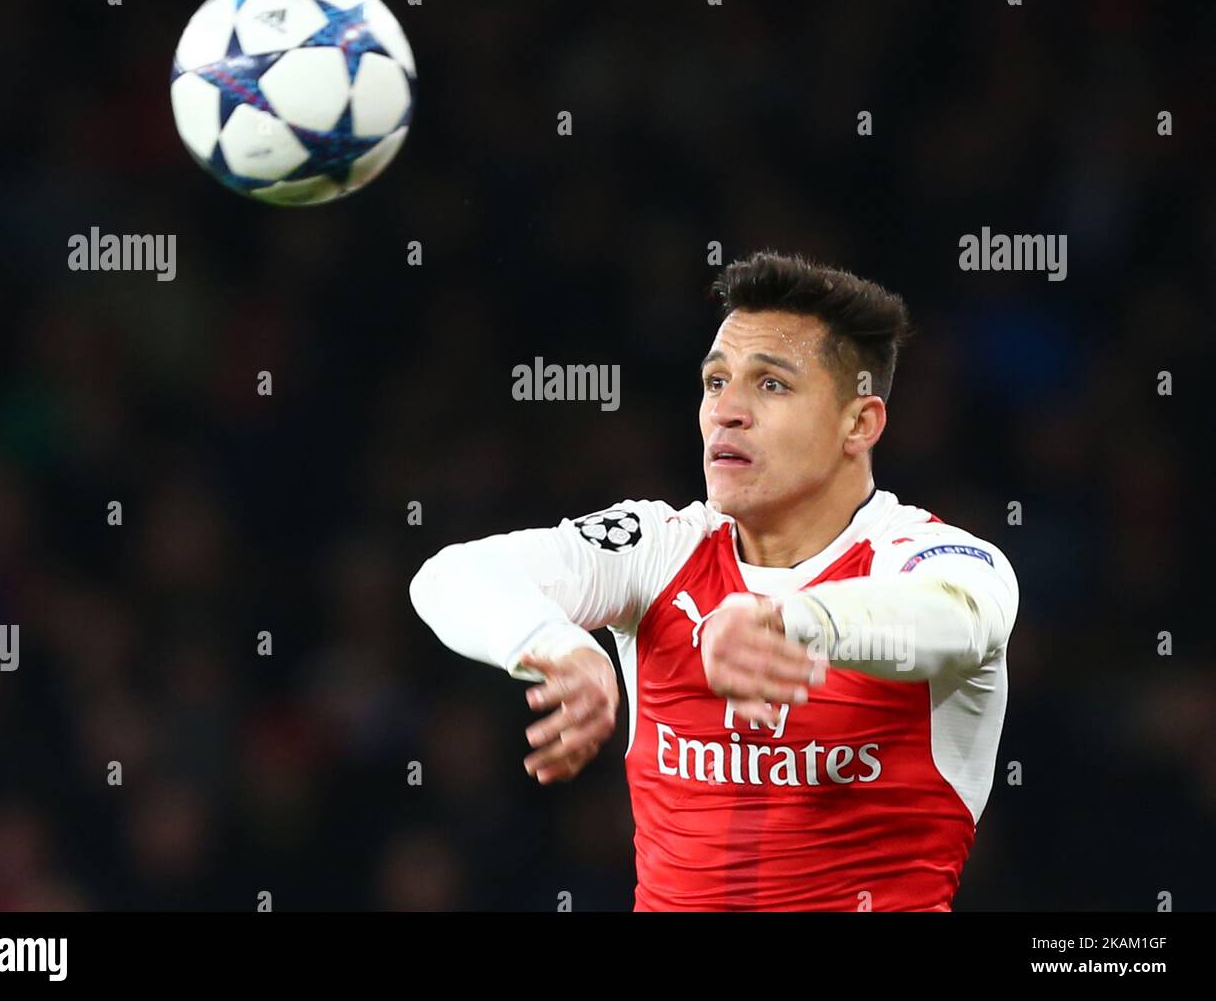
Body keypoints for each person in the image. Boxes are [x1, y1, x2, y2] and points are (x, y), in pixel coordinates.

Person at [409, 251, 1019, 911]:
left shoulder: (929, 558)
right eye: (714, 382)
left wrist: (793, 623)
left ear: (859, 424)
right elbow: (448, 576)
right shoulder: (658, 548)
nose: (726, 411)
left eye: (771, 385)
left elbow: (960, 616)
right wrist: (560, 646)